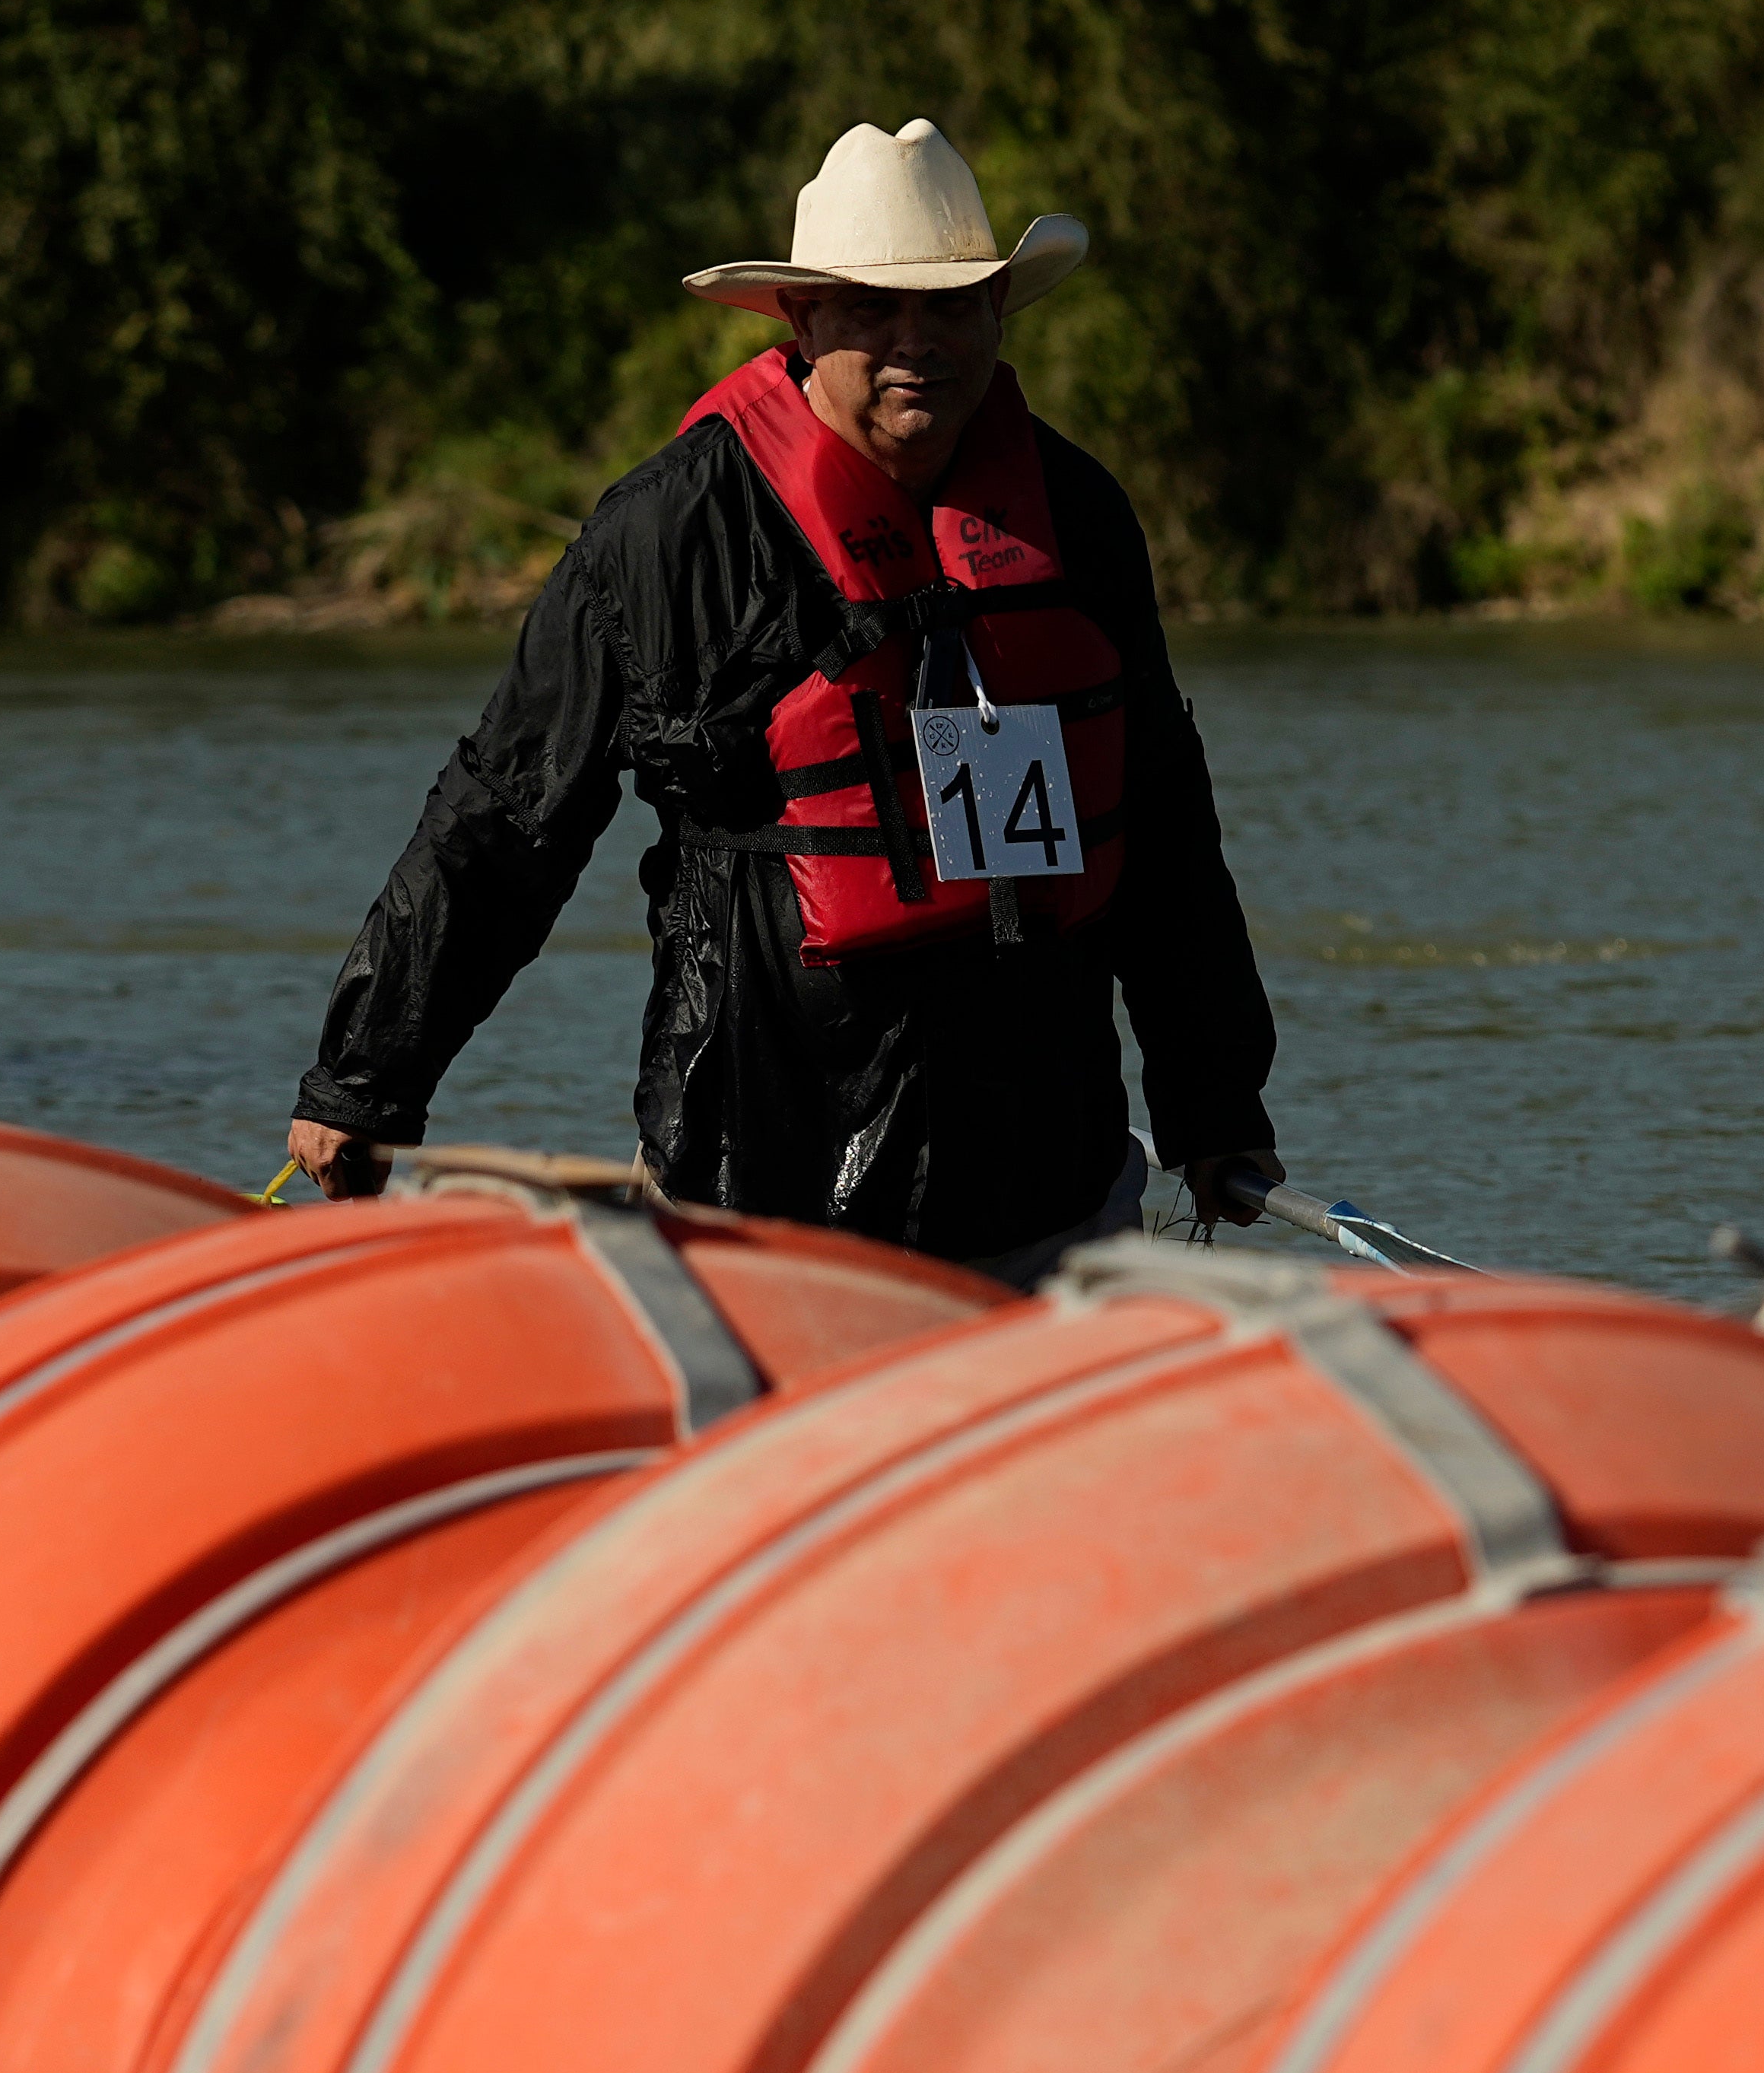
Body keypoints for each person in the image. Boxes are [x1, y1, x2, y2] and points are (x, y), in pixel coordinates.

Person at [283, 118, 1282, 1278]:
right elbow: (507, 816)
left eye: (952, 304)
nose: (920, 343)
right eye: (871, 309)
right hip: (758, 1170)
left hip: (1043, 1171)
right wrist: (366, 1078)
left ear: (999, 311)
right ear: (802, 321)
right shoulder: (669, 534)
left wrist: (1214, 1106)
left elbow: (1162, 824)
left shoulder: (1076, 513)